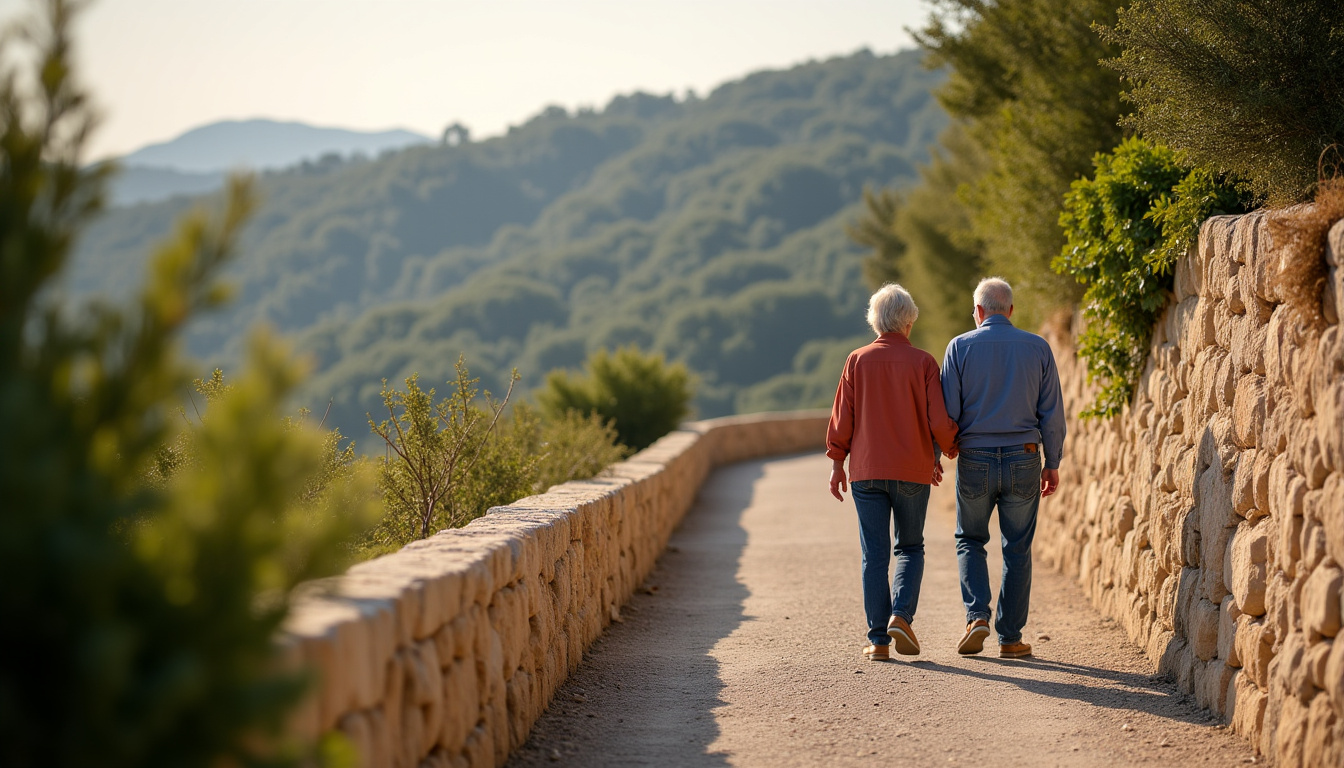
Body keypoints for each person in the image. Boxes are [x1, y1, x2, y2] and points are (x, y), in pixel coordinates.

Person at [827, 283, 959, 661]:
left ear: (875, 321)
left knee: (874, 555)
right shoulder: (924, 363)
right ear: (909, 321)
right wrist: (947, 451)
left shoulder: (856, 361)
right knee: (911, 547)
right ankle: (901, 615)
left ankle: (878, 641)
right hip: (912, 471)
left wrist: (837, 463)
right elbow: (938, 420)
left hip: (866, 472)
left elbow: (842, 420)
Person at [941, 277, 1065, 659]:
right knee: (1017, 548)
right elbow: (1053, 413)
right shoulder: (1038, 347)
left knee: (970, 539)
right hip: (1024, 456)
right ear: (1010, 310)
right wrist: (1052, 462)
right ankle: (1010, 638)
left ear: (978, 312)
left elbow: (946, 413)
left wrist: (942, 453)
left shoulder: (959, 347)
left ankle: (977, 615)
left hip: (975, 457)